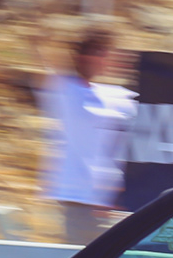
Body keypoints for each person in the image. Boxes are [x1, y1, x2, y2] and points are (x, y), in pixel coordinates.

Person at [37, 25, 138, 245]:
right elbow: (43, 48)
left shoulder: (115, 96)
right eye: (92, 52)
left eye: (102, 54)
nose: (97, 59)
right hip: (78, 197)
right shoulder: (63, 89)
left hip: (108, 200)